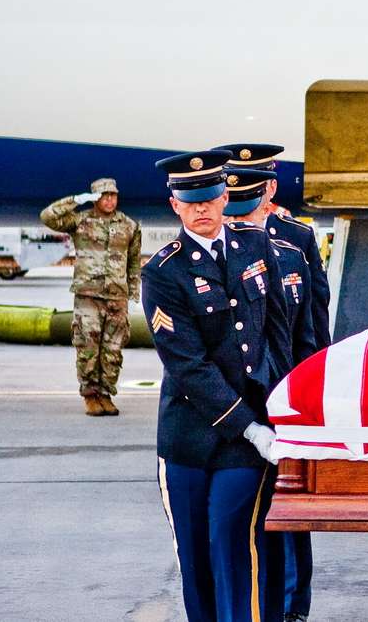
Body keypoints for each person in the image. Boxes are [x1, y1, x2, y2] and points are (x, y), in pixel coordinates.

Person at [142, 150, 291, 621]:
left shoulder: (254, 246)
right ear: (175, 206)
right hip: (190, 436)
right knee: (196, 561)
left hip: (248, 442)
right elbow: (188, 365)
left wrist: (281, 410)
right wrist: (250, 427)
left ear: (225, 196)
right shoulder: (162, 272)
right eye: (191, 202)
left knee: (232, 544)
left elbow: (278, 331)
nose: (202, 210)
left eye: (209, 198)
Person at [223, 165, 319, 622]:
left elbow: (309, 329)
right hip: (237, 410)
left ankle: (292, 605)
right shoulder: (212, 254)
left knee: (290, 512)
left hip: (284, 402)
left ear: (269, 192)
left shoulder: (295, 243)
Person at [40, 177, 142, 416]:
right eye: (104, 196)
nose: (110, 200)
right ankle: (90, 395)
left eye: (113, 195)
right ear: (95, 198)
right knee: (88, 346)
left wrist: (134, 293)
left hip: (117, 297)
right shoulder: (81, 220)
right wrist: (75, 201)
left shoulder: (129, 225)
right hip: (88, 295)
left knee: (113, 349)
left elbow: (134, 262)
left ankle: (106, 393)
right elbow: (48, 216)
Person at [220, 143, 332, 348]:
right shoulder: (213, 239)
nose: (245, 187)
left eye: (255, 183)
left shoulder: (297, 237)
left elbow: (315, 313)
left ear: (272, 188)